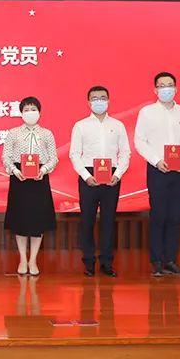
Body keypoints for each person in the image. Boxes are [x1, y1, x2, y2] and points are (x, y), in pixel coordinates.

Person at [134, 71, 180, 277]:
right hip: (158, 170)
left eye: (169, 85)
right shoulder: (147, 112)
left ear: (176, 88)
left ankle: (170, 260)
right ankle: (156, 261)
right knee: (159, 215)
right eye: (162, 86)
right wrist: (156, 160)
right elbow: (139, 141)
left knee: (175, 216)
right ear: (155, 90)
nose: (166, 89)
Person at [69, 85, 131, 277]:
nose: (99, 101)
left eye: (103, 98)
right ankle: (88, 261)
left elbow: (125, 153)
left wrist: (118, 174)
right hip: (88, 174)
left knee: (108, 221)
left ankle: (106, 262)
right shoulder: (81, 126)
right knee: (87, 220)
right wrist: (86, 176)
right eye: (95, 98)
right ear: (88, 102)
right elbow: (74, 154)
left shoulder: (118, 125)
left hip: (112, 176)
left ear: (108, 100)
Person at [2, 96, 57, 276]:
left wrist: (44, 169)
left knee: (37, 221)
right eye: (26, 110)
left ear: (39, 112)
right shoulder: (13, 133)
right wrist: (14, 170)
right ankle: (22, 260)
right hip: (19, 178)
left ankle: (33, 260)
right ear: (21, 113)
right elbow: (6, 156)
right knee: (20, 220)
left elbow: (53, 158)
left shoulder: (47, 134)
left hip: (40, 179)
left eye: (33, 109)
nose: (30, 112)